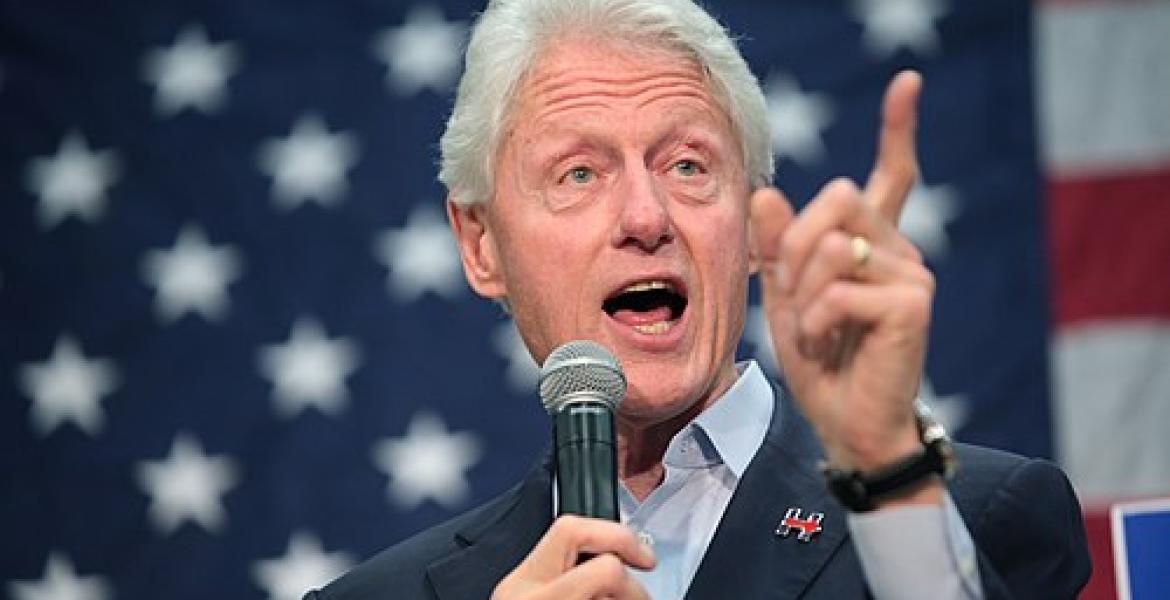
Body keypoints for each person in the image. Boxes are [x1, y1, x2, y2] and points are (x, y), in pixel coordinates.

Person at [307, 0, 1090, 598]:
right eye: (579, 174)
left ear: (750, 223)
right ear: (480, 244)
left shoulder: (962, 520)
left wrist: (886, 475)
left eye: (687, 165)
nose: (647, 218)